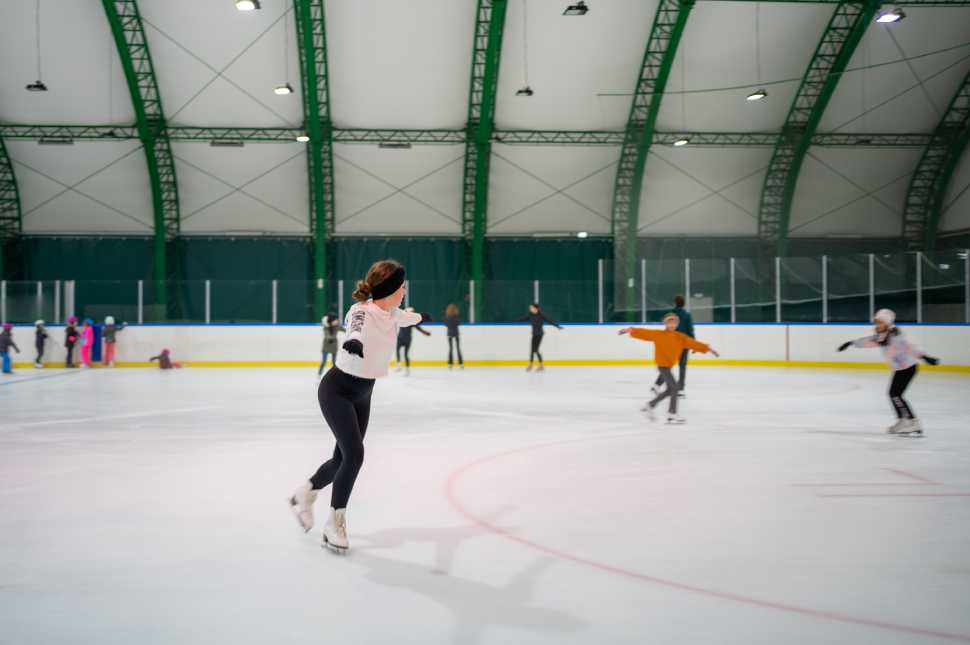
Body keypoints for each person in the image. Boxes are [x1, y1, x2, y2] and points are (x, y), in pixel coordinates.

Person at [289, 259, 428, 553]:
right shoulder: (361, 311)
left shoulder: (391, 313)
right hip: (337, 390)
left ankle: (306, 492)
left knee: (342, 459)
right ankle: (335, 523)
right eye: (402, 286)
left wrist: (419, 318)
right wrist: (354, 341)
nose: (404, 290)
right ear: (391, 288)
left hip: (363, 392)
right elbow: (356, 327)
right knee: (355, 454)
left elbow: (405, 317)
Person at [837, 308, 938, 436]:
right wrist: (851, 343)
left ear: (888, 324)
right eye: (876, 322)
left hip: (908, 368)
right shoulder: (882, 336)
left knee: (895, 395)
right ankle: (904, 421)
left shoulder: (896, 336)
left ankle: (912, 422)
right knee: (894, 394)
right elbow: (869, 341)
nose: (877, 325)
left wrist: (924, 356)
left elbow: (910, 347)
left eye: (880, 322)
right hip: (900, 369)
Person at [619, 313, 720, 424]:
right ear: (665, 323)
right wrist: (631, 330)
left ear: (677, 324)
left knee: (670, 390)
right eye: (669, 323)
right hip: (662, 366)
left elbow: (693, 343)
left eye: (674, 323)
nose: (672, 325)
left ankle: (650, 405)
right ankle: (672, 414)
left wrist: (708, 348)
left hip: (669, 366)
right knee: (675, 388)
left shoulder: (680, 337)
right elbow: (645, 333)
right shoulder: (658, 334)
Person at [652, 295, 693, 398]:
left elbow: (667, 328)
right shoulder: (687, 315)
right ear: (684, 304)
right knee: (682, 367)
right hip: (683, 344)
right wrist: (693, 344)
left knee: (668, 366)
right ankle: (680, 389)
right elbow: (690, 330)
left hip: (672, 343)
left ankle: (657, 385)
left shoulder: (671, 314)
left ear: (675, 303)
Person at [518, 303, 562, 372]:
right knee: (532, 350)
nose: (530, 309)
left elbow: (549, 321)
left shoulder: (541, 315)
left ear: (536, 309)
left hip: (539, 334)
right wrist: (514, 320)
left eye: (531, 308)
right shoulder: (530, 315)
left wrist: (557, 326)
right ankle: (531, 365)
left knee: (536, 350)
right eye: (530, 308)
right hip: (534, 334)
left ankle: (541, 366)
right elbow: (523, 319)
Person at [396, 306, 430, 376]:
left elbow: (418, 328)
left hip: (406, 339)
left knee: (405, 354)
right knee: (399, 351)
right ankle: (400, 365)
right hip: (401, 339)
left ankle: (407, 369)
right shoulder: (403, 319)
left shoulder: (411, 321)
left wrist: (425, 332)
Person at [444, 303, 463, 370]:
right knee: (458, 348)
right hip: (456, 333)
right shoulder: (456, 316)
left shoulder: (447, 317)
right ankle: (461, 363)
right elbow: (458, 323)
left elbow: (446, 324)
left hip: (450, 334)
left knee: (451, 349)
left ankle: (450, 363)